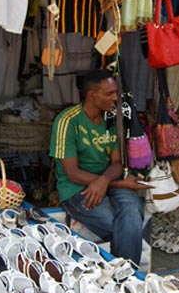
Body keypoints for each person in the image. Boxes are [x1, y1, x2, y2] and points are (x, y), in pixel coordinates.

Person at [49, 69, 147, 265]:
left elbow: (117, 163)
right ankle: (126, 280)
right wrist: (118, 184)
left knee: (132, 217)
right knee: (121, 226)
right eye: (109, 93)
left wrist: (104, 181)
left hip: (109, 181)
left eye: (115, 92)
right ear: (92, 96)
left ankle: (123, 279)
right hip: (77, 189)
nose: (116, 98)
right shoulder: (67, 121)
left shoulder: (112, 119)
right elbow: (72, 173)